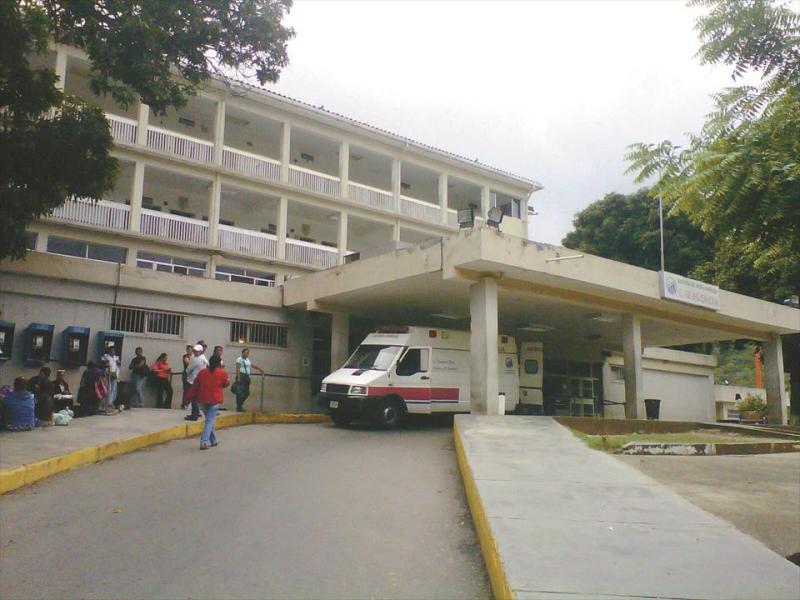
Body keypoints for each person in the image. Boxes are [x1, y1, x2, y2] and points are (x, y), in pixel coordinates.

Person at [187, 354, 230, 449]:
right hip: (215, 399)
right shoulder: (222, 373)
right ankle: (204, 441)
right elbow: (226, 383)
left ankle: (213, 440)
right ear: (219, 363)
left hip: (202, 399)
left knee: (209, 420)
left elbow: (195, 386)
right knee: (209, 420)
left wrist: (189, 397)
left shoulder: (202, 372)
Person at [184, 343, 209, 421]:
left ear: (200, 351)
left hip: (193, 380)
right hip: (200, 380)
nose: (195, 352)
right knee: (196, 398)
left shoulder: (196, 359)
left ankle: (194, 415)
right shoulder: (204, 358)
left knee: (193, 398)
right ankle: (196, 413)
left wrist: (187, 373)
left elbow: (188, 369)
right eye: (194, 350)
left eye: (196, 351)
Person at [234, 348, 263, 412]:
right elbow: (237, 368)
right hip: (241, 376)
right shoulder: (239, 359)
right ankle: (239, 407)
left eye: (248, 353)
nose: (247, 354)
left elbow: (252, 365)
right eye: (246, 352)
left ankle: (240, 405)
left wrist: (259, 369)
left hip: (246, 377)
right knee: (240, 392)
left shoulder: (247, 360)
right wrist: (238, 378)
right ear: (243, 353)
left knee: (247, 393)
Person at [101, 345, 120, 413]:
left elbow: (119, 363)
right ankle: (107, 403)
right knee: (108, 388)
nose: (113, 352)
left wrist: (118, 362)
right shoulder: (106, 356)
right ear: (109, 351)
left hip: (114, 374)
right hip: (107, 374)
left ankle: (110, 402)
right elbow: (103, 363)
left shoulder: (116, 357)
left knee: (114, 389)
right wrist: (107, 363)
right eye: (111, 351)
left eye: (114, 351)